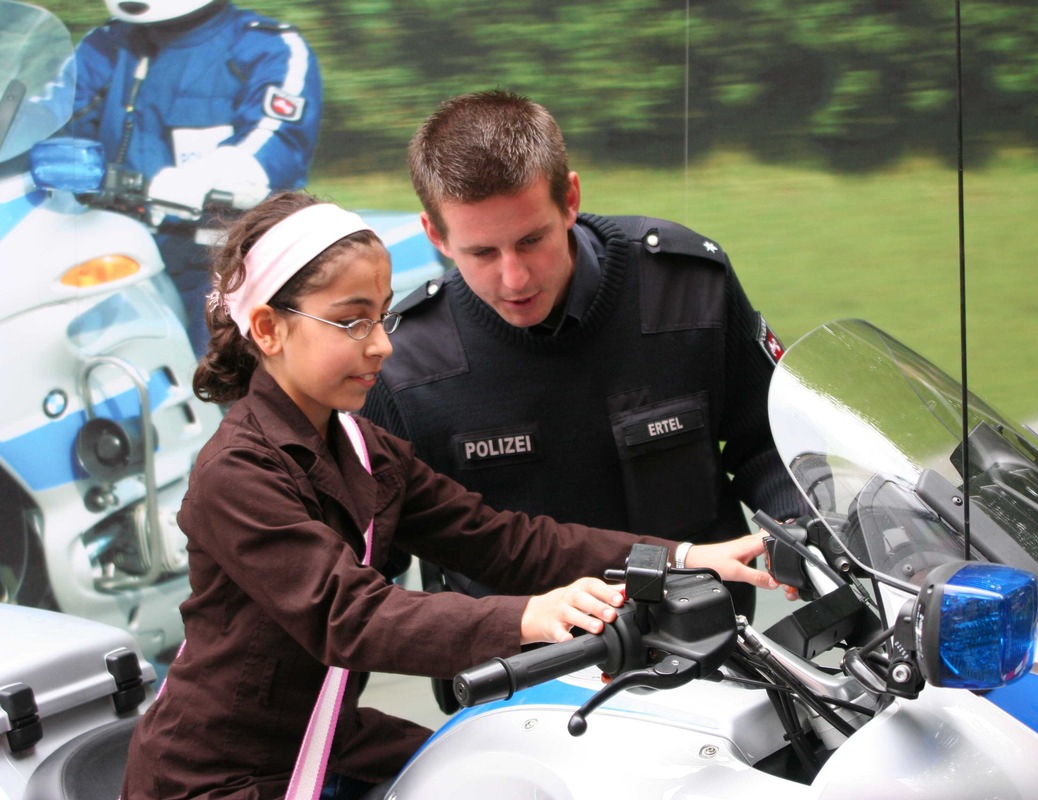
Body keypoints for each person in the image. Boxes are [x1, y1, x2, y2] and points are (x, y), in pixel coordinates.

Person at [119, 191, 774, 799]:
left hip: (325, 740)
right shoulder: (236, 473)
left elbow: (506, 541)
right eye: (351, 323)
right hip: (220, 772)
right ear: (267, 329)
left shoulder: (363, 447)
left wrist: (684, 558)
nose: (380, 345)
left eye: (379, 317)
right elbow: (352, 616)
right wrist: (531, 617)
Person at [363, 89, 807, 623]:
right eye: (482, 252)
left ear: (570, 199)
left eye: (531, 240)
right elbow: (366, 568)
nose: (514, 278)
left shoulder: (686, 286)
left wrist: (800, 536)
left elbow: (769, 444)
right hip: (523, 681)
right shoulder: (403, 366)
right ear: (435, 235)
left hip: (709, 647)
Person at [71, 0, 322, 356]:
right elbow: (52, 126)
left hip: (222, 255)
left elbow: (273, 141)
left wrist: (191, 181)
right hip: (113, 246)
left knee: (218, 368)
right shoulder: (105, 46)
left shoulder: (268, 47)